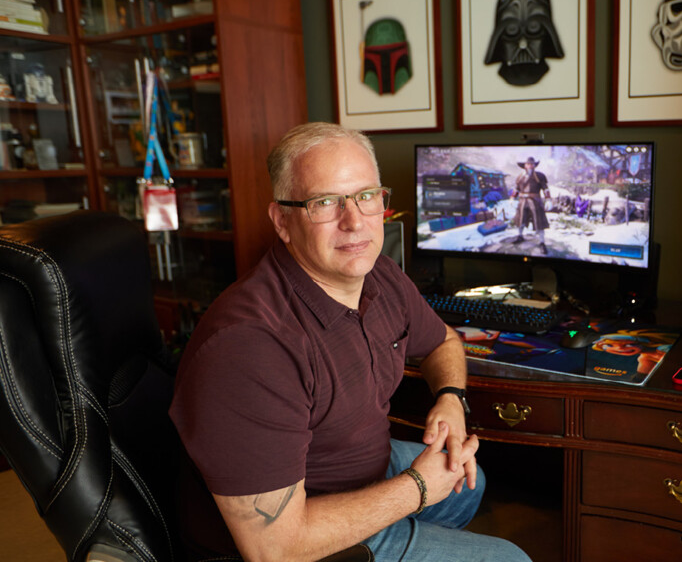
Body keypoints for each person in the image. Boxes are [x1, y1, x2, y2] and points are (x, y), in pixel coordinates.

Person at [169, 122, 531, 562]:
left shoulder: (376, 273)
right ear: (283, 220)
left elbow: (443, 342)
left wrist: (451, 398)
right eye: (324, 202)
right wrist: (415, 490)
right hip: (299, 535)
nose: (354, 220)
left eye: (366, 195)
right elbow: (273, 549)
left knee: (470, 488)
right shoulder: (250, 347)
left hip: (361, 471)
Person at [511, 156, 551, 254]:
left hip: (535, 202)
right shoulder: (520, 176)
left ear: (534, 165)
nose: (530, 166)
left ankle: (542, 242)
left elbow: (545, 189)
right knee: (520, 220)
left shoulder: (540, 176)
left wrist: (548, 200)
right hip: (522, 201)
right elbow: (516, 189)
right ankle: (520, 236)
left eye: (532, 164)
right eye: (528, 164)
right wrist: (512, 198)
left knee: (539, 222)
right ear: (524, 165)